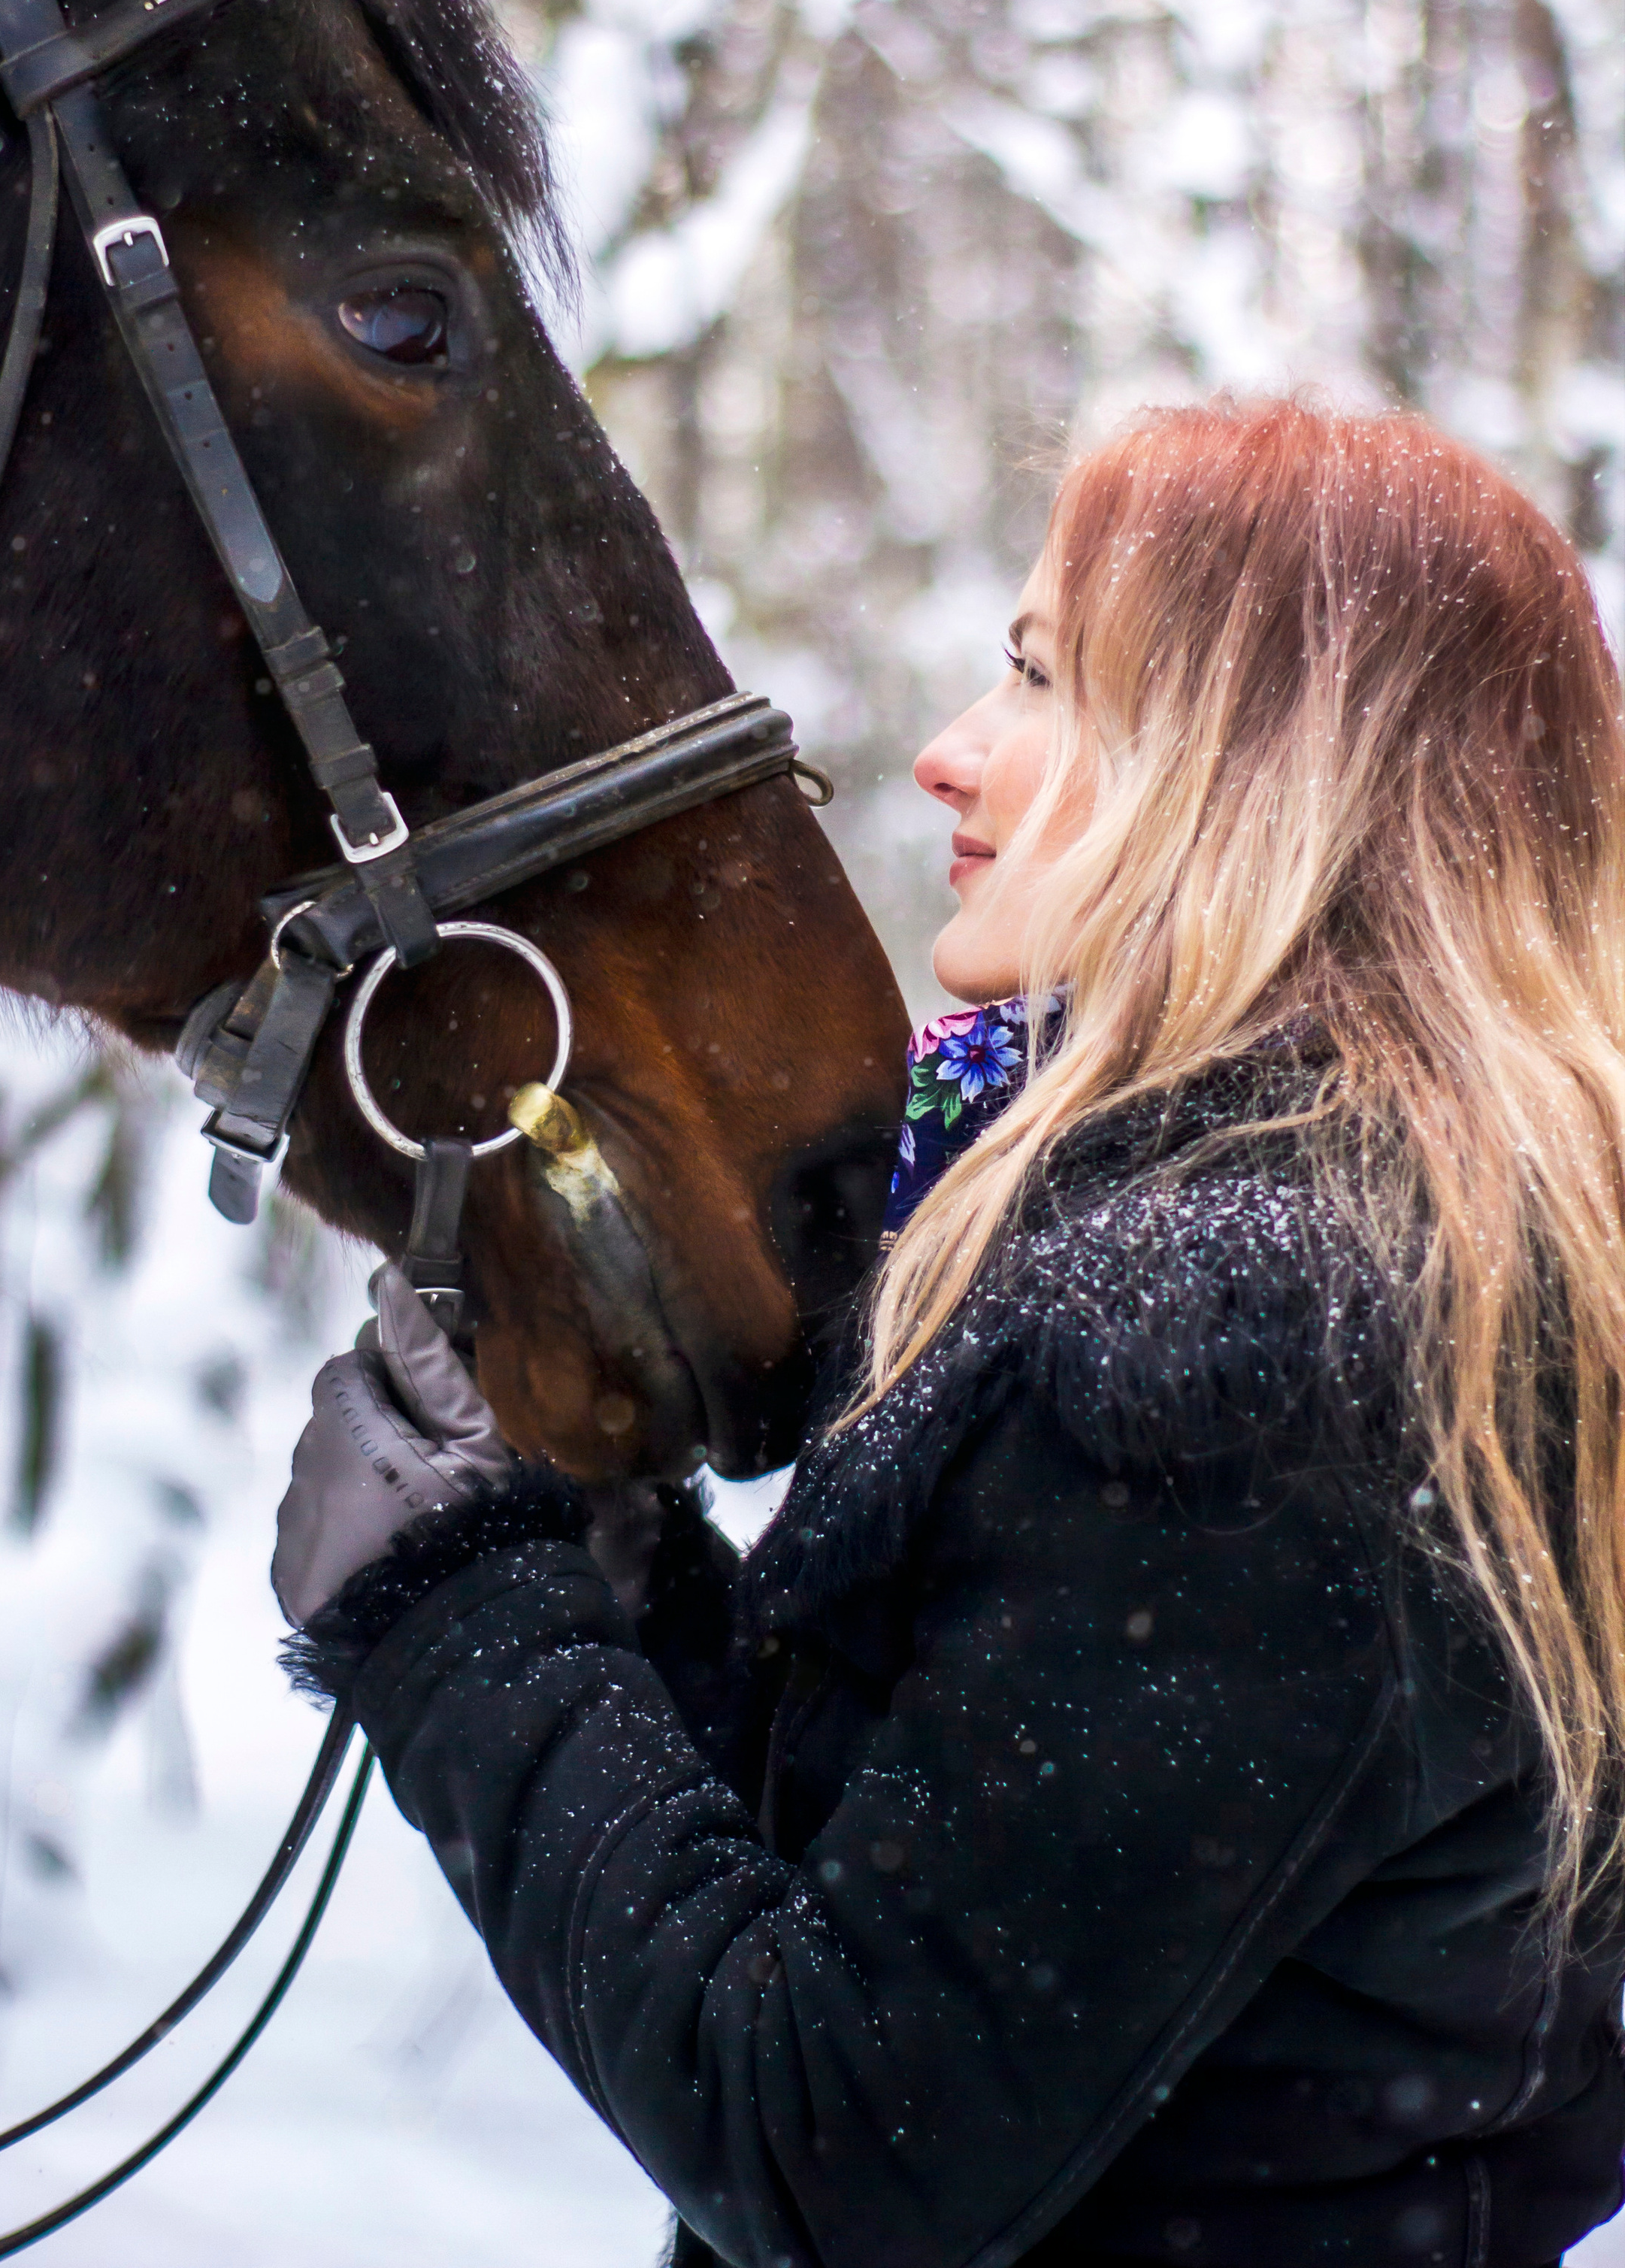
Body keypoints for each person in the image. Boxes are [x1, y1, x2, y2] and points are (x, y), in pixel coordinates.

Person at [271, 397, 1625, 2267]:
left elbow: (840, 2150)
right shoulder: (1414, 1276)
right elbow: (943, 1906)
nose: (941, 757)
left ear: (1258, 769)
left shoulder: (1247, 1360)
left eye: (1039, 681)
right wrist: (611, 1571)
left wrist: (451, 1616)